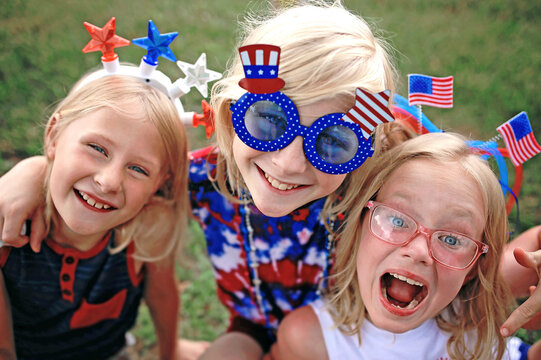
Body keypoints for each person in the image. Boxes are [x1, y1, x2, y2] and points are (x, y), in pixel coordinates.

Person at [0, 1, 538, 359]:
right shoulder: (202, 173)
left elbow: (463, 220)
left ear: (361, 150)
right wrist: (34, 171)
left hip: (351, 328)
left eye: (331, 142)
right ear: (231, 111)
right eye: (269, 121)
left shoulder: (378, 180)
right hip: (254, 329)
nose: (287, 163)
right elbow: (123, 161)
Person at [269, 132, 541, 360]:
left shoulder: (479, 317)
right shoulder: (310, 339)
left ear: (473, 268)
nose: (419, 251)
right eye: (397, 219)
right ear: (360, 227)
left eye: (451, 239)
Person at [0, 73, 189, 359]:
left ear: (159, 183)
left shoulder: (147, 228)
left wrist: (172, 352)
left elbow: (162, 295)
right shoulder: (7, 230)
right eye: (97, 149)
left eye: (138, 169)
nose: (109, 181)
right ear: (54, 135)